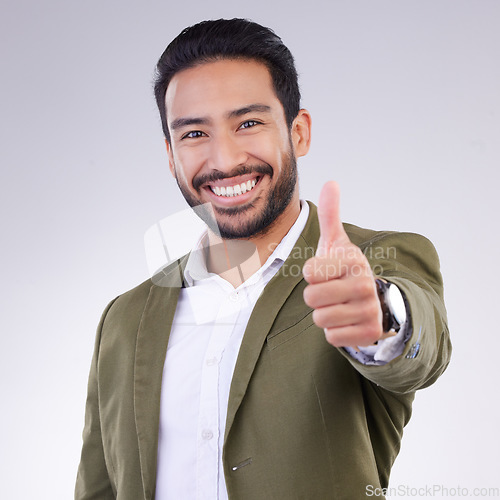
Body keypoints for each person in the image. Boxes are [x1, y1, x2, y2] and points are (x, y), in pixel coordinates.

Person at [75, 18, 451, 500]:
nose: (225, 159)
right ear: (170, 156)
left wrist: (380, 314)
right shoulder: (123, 320)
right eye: (194, 134)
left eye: (248, 123)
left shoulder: (373, 262)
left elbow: (423, 348)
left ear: (299, 132)